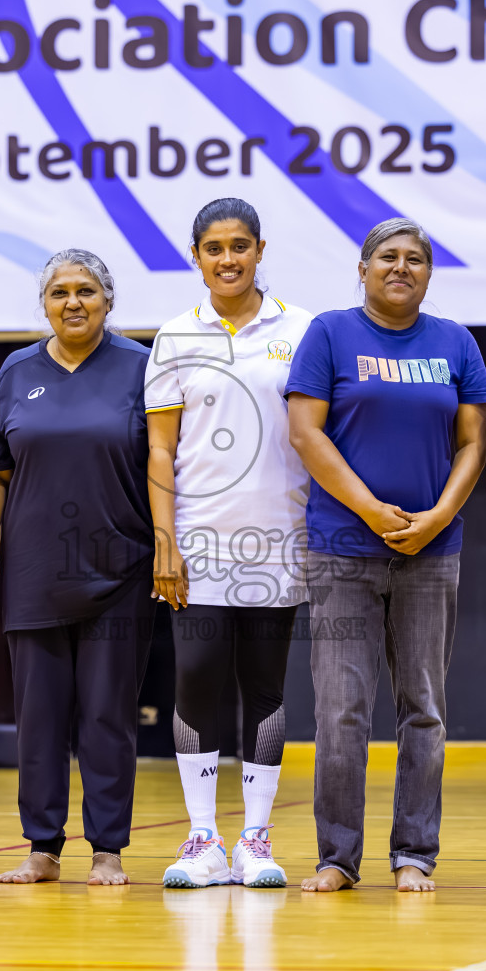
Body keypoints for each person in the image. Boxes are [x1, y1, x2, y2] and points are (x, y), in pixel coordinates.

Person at [286, 218, 486, 893]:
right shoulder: (329, 333)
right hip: (344, 550)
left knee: (423, 707)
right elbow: (306, 434)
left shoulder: (455, 342)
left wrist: (440, 516)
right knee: (340, 710)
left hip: (430, 554)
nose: (401, 267)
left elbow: (472, 444)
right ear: (363, 268)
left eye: (415, 259)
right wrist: (371, 509)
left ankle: (414, 853)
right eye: (388, 257)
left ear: (428, 273)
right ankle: (336, 858)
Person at [0, 249, 155, 887]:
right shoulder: (17, 371)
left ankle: (108, 849)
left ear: (108, 300)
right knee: (39, 715)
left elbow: (163, 466)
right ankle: (42, 846)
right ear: (44, 303)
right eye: (59, 293)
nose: (73, 302)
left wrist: (164, 547)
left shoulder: (140, 367)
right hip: (35, 570)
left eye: (87, 291)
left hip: (120, 568)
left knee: (108, 714)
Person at [146, 198, 314, 889]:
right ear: (197, 256)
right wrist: (166, 541)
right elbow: (160, 449)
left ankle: (255, 839)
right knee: (198, 684)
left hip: (281, 536)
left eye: (240, 245)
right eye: (214, 247)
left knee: (265, 689)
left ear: (260, 249)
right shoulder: (174, 336)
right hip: (199, 544)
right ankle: (202, 839)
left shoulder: (303, 330)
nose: (228, 258)